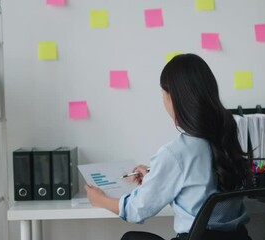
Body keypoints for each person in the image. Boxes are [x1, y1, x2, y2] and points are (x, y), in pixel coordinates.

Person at [84, 53, 252, 240]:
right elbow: (200, 185)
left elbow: (136, 209)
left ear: (173, 97)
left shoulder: (175, 153)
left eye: (163, 94)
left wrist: (99, 199)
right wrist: (154, 176)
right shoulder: (226, 138)